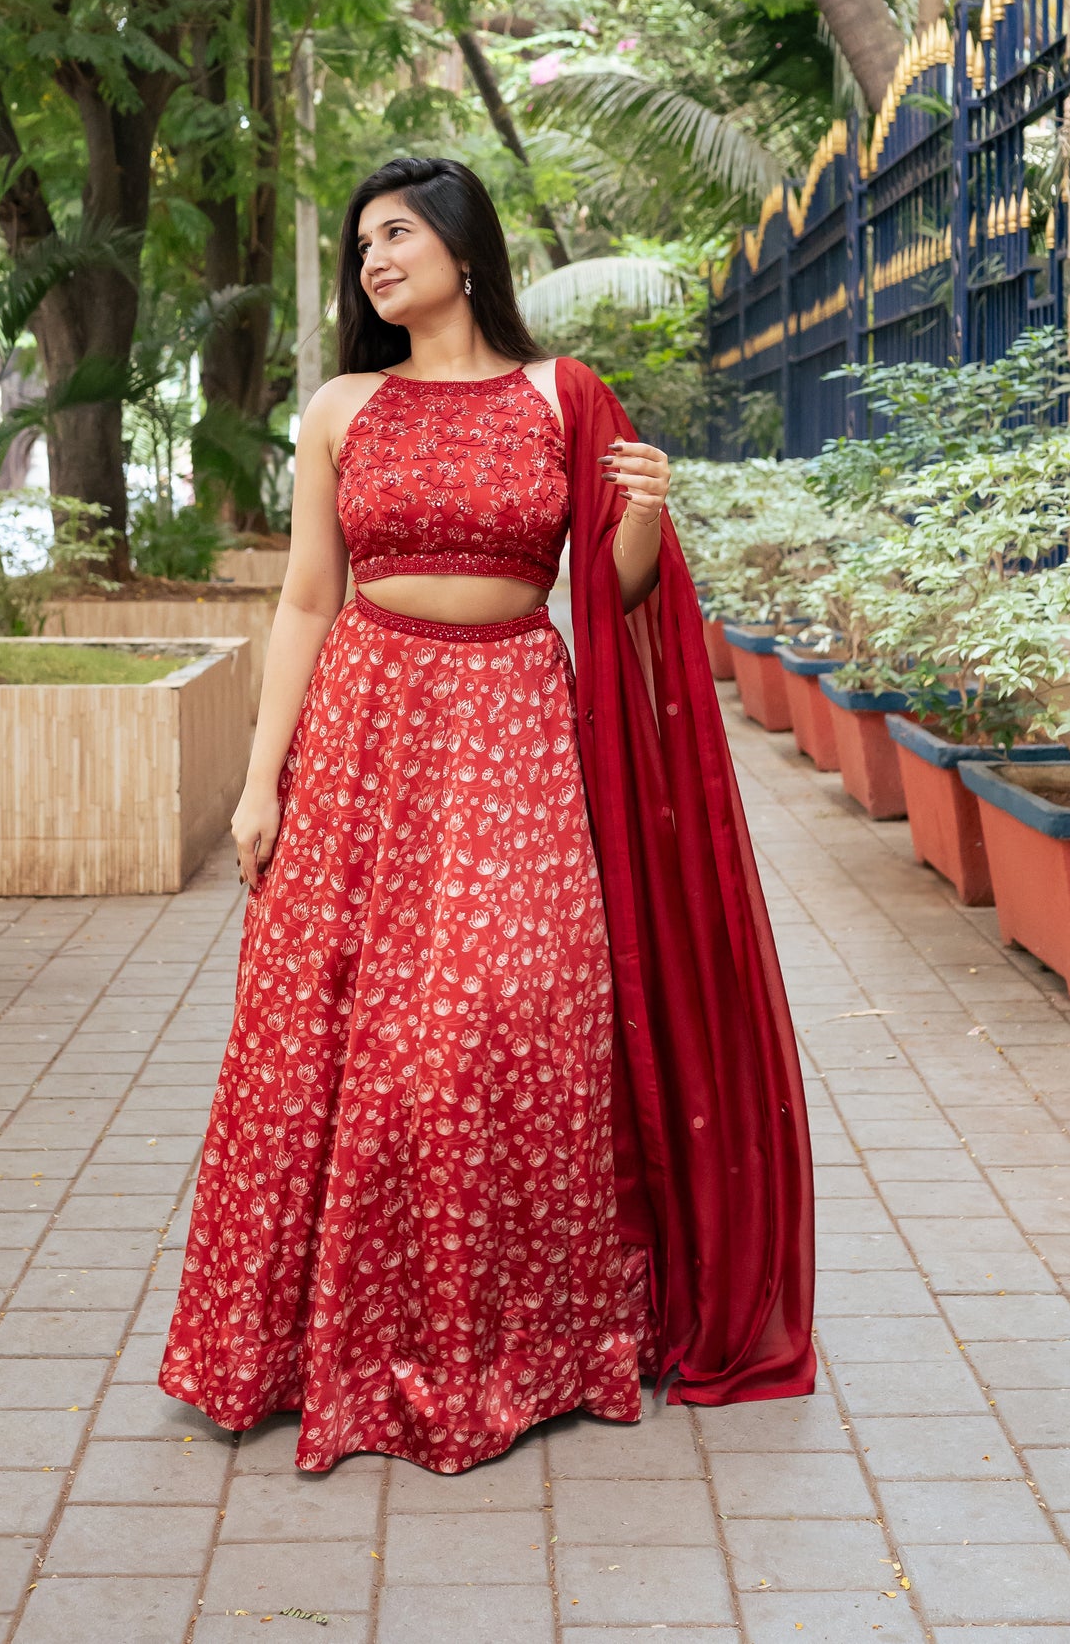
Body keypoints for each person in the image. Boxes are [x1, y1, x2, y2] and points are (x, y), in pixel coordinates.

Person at [160, 157, 814, 1474]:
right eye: (361, 246)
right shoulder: (342, 406)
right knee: (337, 1027)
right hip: (364, 725)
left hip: (515, 721)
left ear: (464, 245)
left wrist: (648, 511)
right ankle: (318, 1343)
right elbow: (304, 600)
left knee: (508, 1006)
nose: (374, 260)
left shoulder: (559, 394)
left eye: (397, 233)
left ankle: (520, 1339)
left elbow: (616, 590)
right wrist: (256, 775)